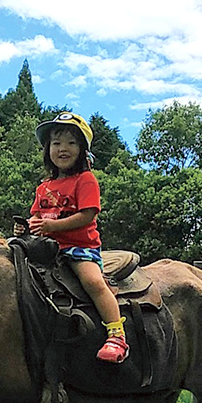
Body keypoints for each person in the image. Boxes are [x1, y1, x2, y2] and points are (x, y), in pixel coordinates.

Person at [15, 113, 129, 363]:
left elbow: (87, 216)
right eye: (56, 143)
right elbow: (36, 218)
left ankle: (116, 333)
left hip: (78, 248)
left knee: (93, 282)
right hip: (46, 249)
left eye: (70, 143)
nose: (62, 149)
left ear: (82, 150)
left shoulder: (85, 180)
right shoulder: (43, 187)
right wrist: (26, 228)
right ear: (48, 150)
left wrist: (52, 226)